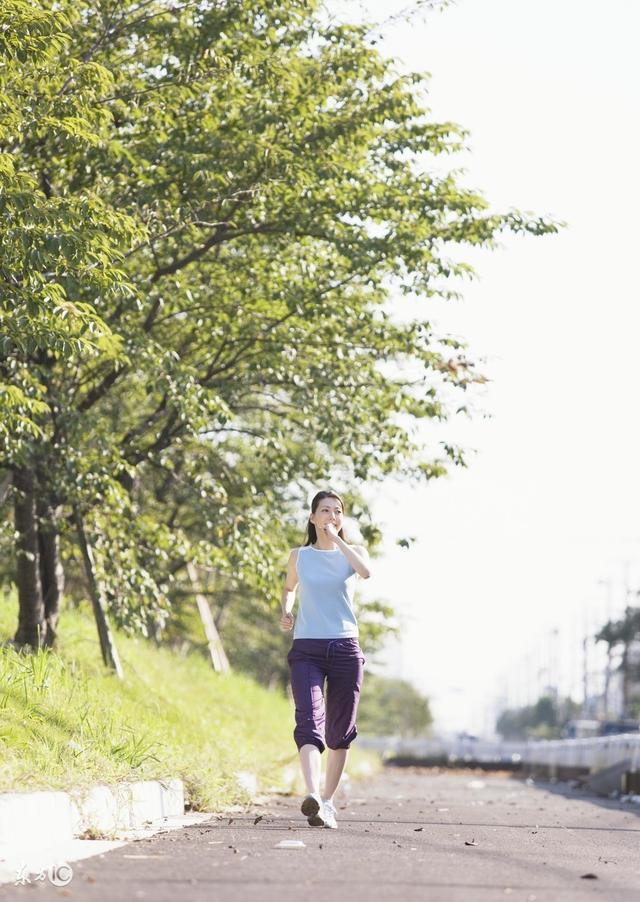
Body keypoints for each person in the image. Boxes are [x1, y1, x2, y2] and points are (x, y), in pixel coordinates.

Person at [279, 489, 371, 829]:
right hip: (307, 649)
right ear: (312, 518)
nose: (332, 515)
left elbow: (365, 572)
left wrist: (339, 541)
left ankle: (329, 803)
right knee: (308, 720)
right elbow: (289, 588)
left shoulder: (353, 553)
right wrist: (286, 611)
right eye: (325, 511)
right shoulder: (299, 556)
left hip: (346, 648)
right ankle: (312, 794)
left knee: (340, 731)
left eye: (337, 511)